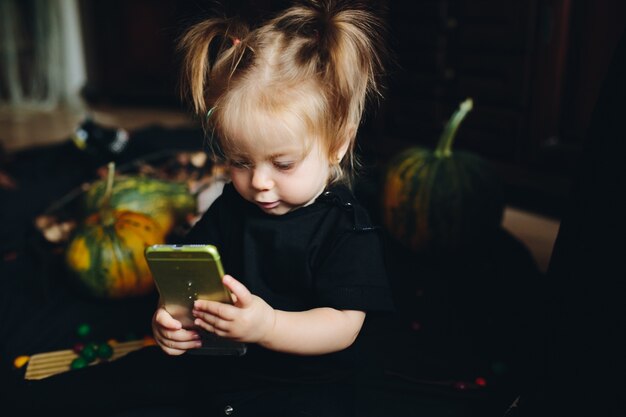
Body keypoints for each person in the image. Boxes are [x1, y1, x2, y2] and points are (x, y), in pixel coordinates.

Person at [148, 0, 394, 416]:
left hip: (312, 380)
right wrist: (169, 318)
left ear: (338, 144)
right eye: (241, 162)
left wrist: (269, 326)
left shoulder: (346, 227)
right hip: (234, 368)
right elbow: (189, 269)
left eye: (282, 164)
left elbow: (343, 326)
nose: (258, 181)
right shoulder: (232, 205)